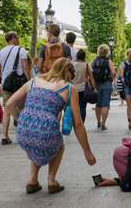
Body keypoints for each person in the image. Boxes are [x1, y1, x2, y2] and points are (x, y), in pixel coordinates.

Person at [6, 58, 96, 193]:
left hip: (23, 133)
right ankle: (52, 180)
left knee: (38, 143)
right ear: (67, 71)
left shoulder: (33, 81)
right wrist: (87, 152)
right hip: (46, 132)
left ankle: (32, 180)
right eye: (72, 75)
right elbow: (78, 124)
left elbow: (9, 104)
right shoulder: (69, 87)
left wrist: (23, 122)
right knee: (58, 145)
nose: (72, 79)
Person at [0, 31, 30, 145]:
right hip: (19, 85)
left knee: (7, 110)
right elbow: (25, 68)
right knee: (23, 108)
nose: (19, 39)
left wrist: (6, 72)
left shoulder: (1, 52)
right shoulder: (21, 50)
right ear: (14, 38)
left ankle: (5, 136)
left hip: (6, 84)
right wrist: (29, 81)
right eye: (18, 37)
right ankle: (25, 134)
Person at [92, 44, 116, 130]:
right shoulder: (108, 61)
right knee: (105, 104)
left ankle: (98, 122)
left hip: (97, 84)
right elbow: (113, 72)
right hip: (106, 83)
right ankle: (103, 124)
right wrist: (111, 79)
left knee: (98, 104)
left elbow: (89, 70)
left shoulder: (94, 60)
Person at [72, 49, 96, 123]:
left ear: (77, 56)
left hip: (74, 89)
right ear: (84, 57)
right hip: (84, 89)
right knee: (82, 107)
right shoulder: (87, 65)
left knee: (75, 107)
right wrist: (94, 88)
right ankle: (82, 122)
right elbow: (92, 77)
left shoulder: (73, 65)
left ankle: (76, 122)